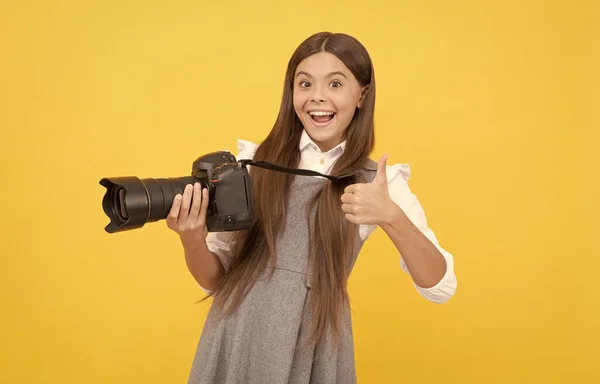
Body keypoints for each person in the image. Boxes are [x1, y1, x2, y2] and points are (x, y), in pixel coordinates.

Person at [166, 31, 457, 384]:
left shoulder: (380, 181)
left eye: (335, 84)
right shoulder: (250, 165)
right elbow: (215, 280)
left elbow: (439, 285)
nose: (317, 97)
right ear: (292, 93)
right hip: (236, 336)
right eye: (305, 84)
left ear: (361, 95)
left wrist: (391, 216)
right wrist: (192, 240)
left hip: (314, 343)